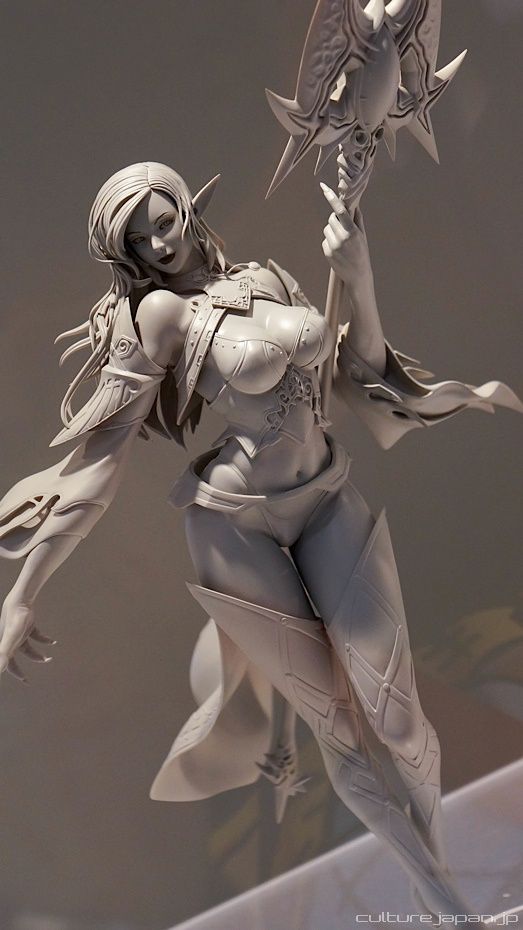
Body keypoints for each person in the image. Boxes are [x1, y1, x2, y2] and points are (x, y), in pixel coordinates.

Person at [0, 161, 519, 921]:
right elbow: (99, 464)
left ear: (186, 207)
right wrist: (21, 594)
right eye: (139, 240)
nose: (159, 244)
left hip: (325, 496)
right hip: (233, 520)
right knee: (338, 729)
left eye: (163, 221)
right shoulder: (159, 317)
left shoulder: (266, 276)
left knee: (399, 719)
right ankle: (446, 905)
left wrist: (358, 273)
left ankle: (435, 881)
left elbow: (358, 371)